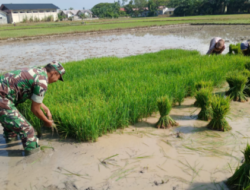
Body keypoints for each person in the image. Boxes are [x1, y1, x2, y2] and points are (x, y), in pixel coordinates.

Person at [0, 61, 65, 155]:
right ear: (54, 73)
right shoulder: (43, 82)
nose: (55, 81)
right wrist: (47, 121)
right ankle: (33, 158)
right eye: (58, 78)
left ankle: (9, 148)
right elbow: (35, 109)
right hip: (2, 99)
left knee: (11, 127)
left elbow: (27, 91)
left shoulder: (36, 71)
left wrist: (45, 108)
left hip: (3, 96)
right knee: (28, 130)